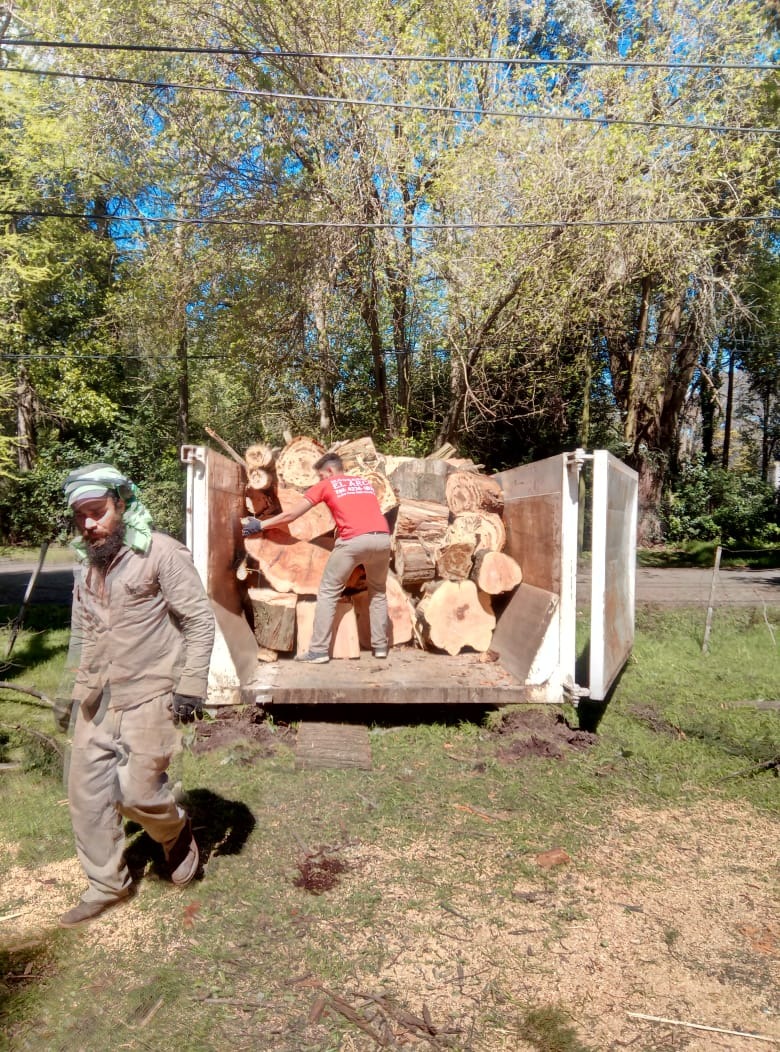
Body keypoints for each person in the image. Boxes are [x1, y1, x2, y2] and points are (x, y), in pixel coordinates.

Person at [56, 463, 215, 928]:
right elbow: (82, 630)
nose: (89, 524)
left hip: (150, 692)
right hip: (98, 696)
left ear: (121, 504)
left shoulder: (161, 553)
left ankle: (175, 829)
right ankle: (108, 883)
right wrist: (71, 691)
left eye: (98, 511)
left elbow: (200, 621)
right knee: (86, 796)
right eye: (80, 515)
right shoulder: (86, 563)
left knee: (138, 794)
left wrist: (191, 685)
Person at [242, 453, 391, 662]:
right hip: (382, 539)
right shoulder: (363, 483)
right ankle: (381, 647)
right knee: (378, 592)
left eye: (321, 476)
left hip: (353, 541)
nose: (321, 480)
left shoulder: (327, 485)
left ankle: (318, 651)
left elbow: (291, 515)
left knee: (328, 591)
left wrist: (260, 525)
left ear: (329, 471)